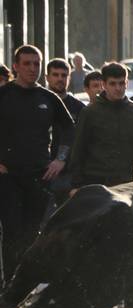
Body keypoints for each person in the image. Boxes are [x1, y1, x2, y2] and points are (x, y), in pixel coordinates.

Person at [0, 45, 74, 288]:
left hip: (39, 176)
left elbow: (69, 129)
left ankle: (24, 285)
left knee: (32, 234)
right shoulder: (4, 95)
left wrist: (60, 159)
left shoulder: (47, 98)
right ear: (15, 66)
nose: (32, 68)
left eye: (36, 63)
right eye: (27, 63)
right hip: (8, 177)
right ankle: (9, 286)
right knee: (12, 232)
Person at [69, 62, 133, 190]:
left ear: (126, 83)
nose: (118, 88)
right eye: (113, 83)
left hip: (126, 181)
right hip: (95, 180)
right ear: (104, 84)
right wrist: (76, 184)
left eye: (121, 83)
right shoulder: (90, 112)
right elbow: (79, 148)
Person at [45, 58, 85, 207]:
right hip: (41, 171)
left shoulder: (79, 107)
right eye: (55, 75)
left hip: (69, 174)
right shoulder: (39, 101)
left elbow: (82, 141)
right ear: (47, 77)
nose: (60, 79)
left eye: (64, 75)